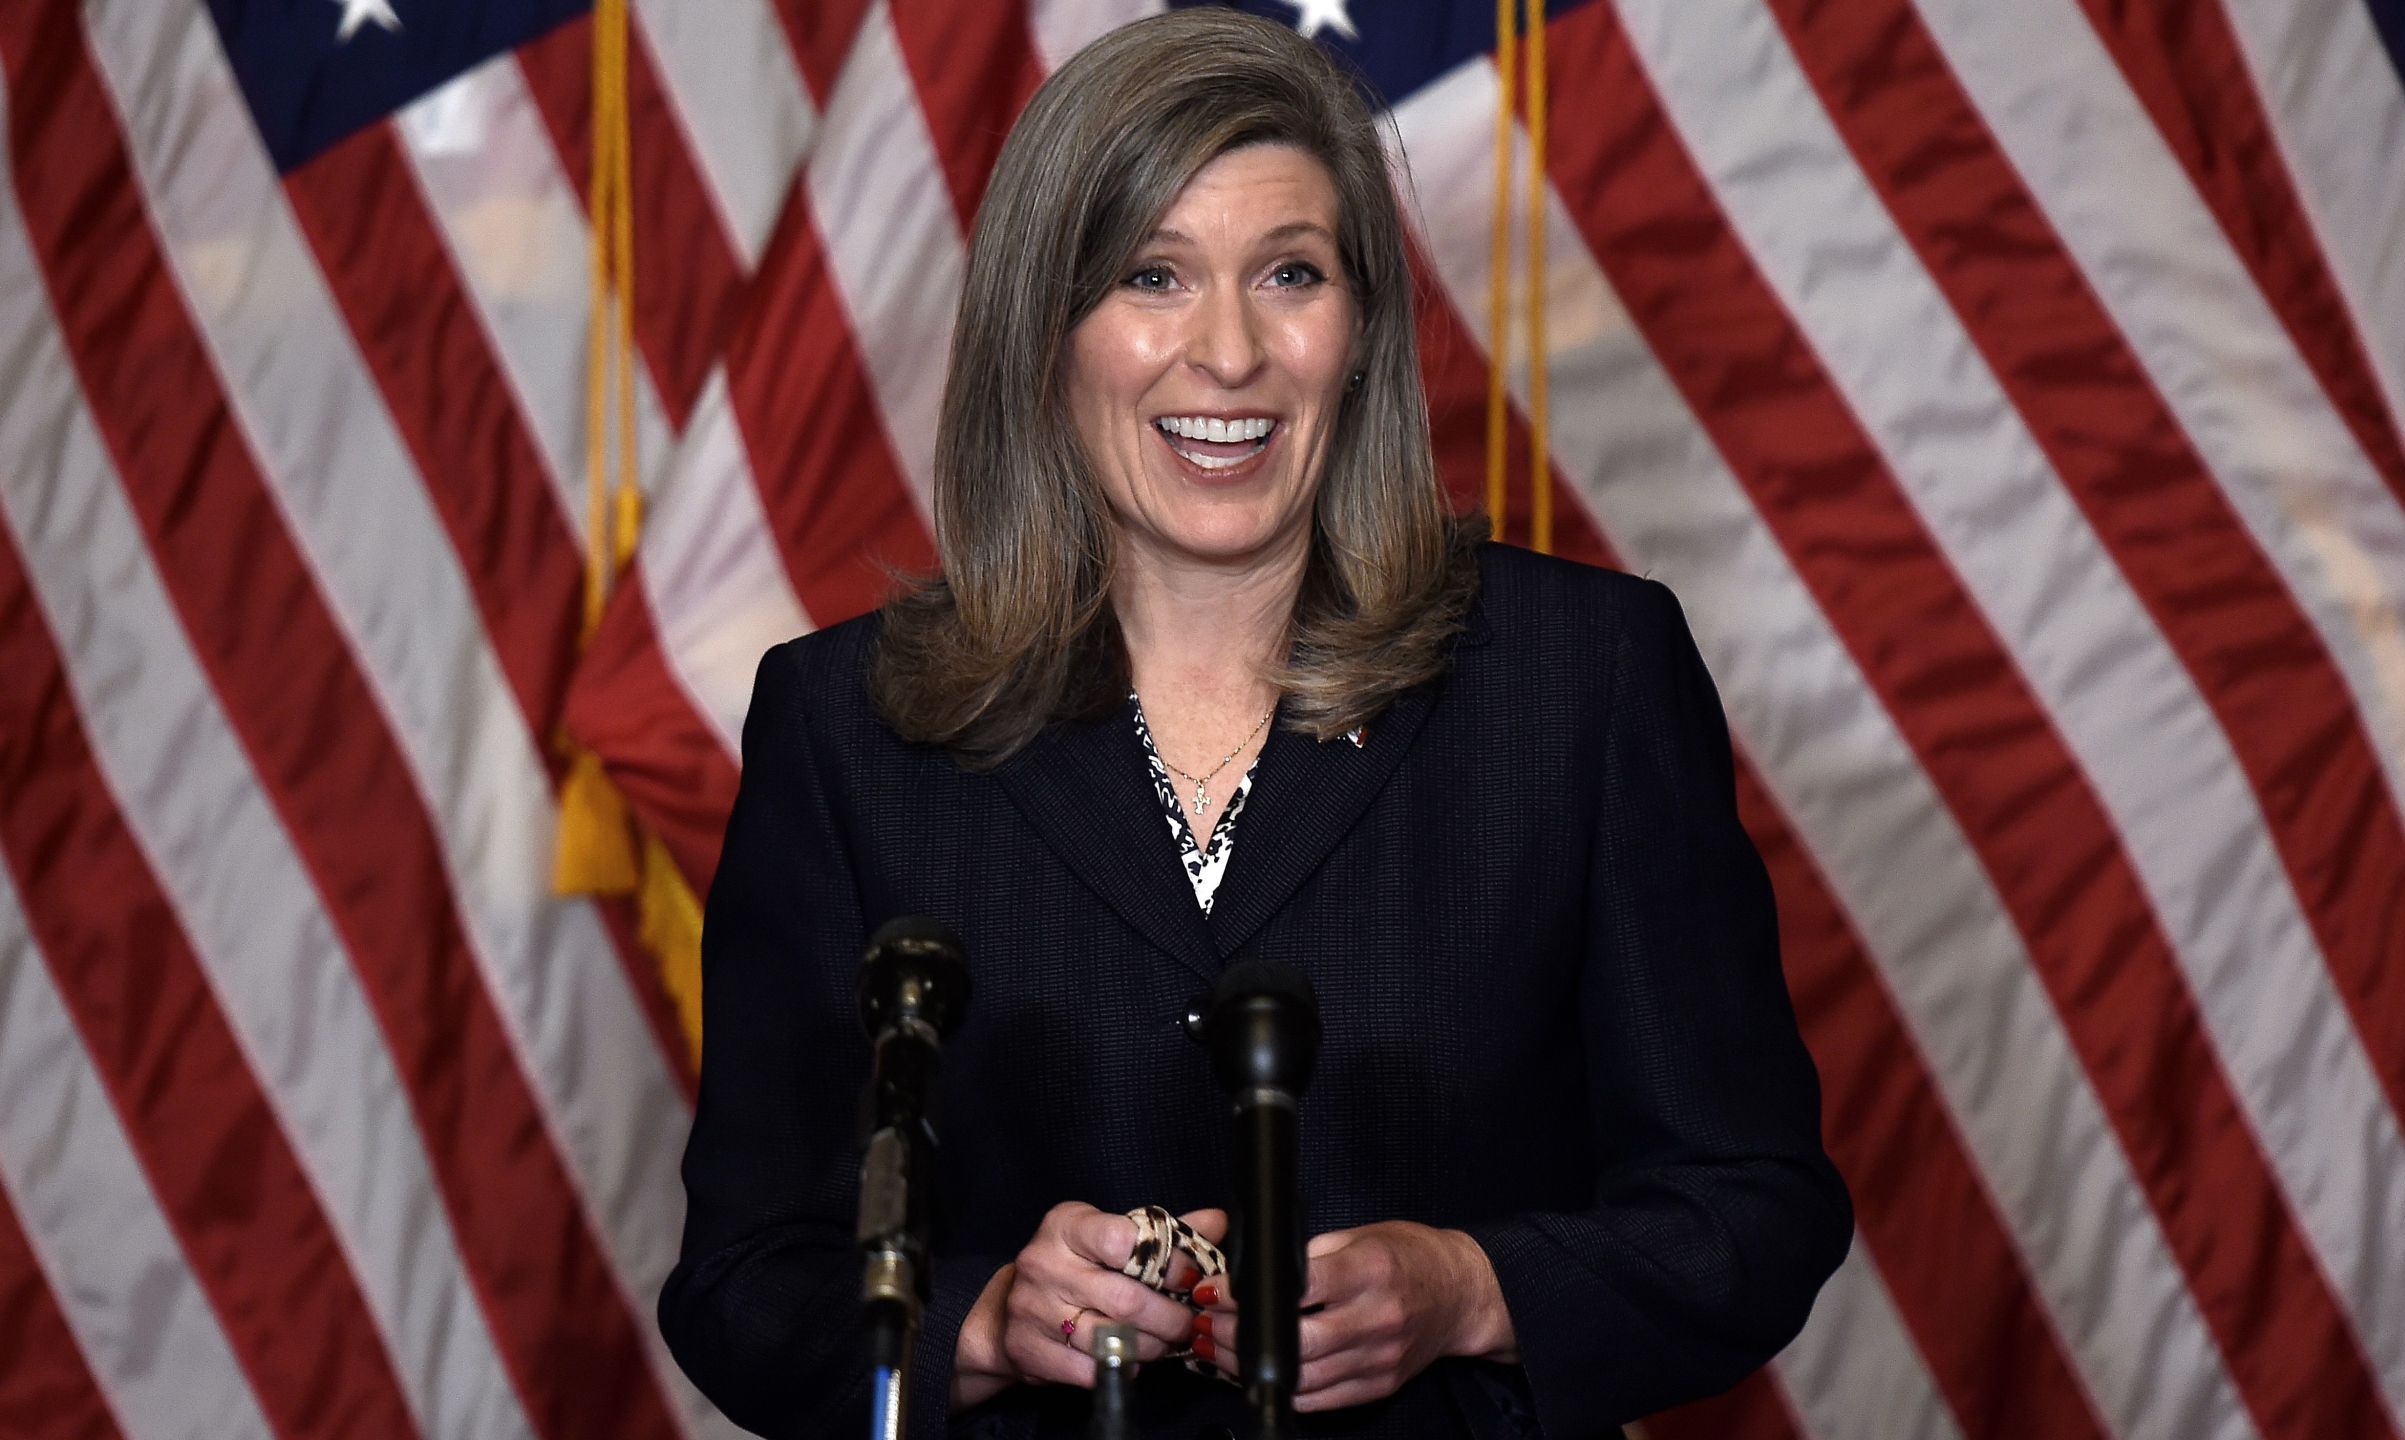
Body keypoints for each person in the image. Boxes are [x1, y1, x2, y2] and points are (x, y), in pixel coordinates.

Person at [656, 9, 1851, 1438]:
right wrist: (983, 1320)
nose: (1227, 353)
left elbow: (1754, 1207)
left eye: (1290, 273)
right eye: (1152, 278)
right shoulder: (846, 728)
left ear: (1360, 327)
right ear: (1049, 331)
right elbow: (742, 1281)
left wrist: (1471, 1286)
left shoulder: (1582, 679)